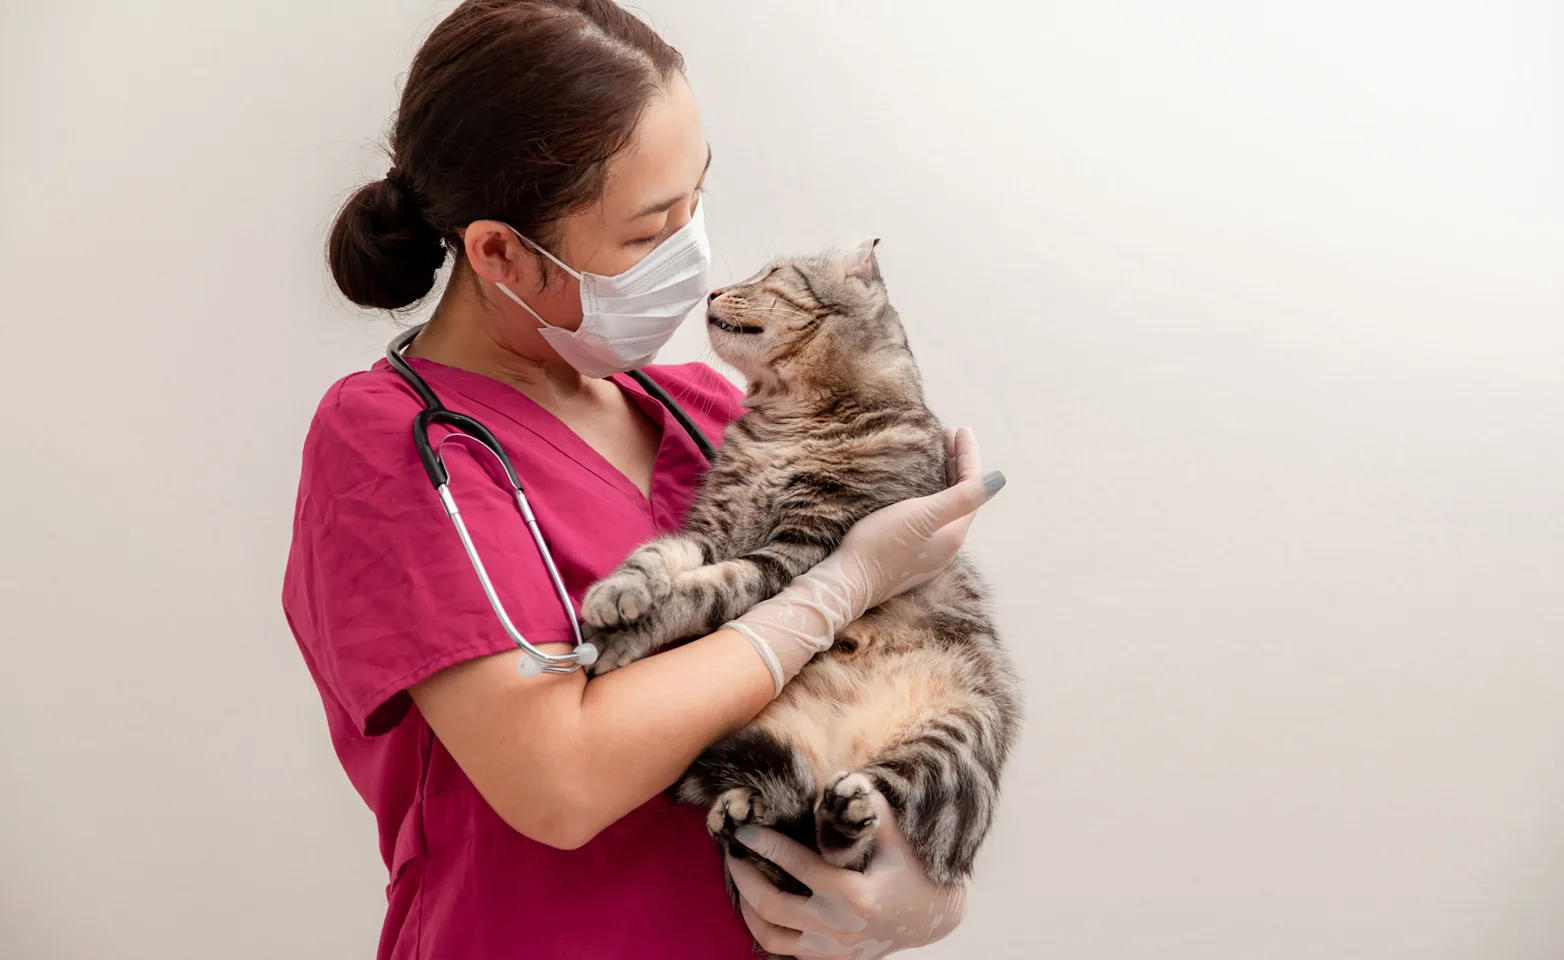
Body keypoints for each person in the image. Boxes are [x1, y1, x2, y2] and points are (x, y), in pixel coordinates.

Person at [281, 2, 1003, 957]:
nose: (692, 254)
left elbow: (889, 702)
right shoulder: (394, 443)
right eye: (648, 230)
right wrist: (846, 583)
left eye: (695, 201)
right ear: (499, 251)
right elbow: (560, 782)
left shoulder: (712, 413)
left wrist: (921, 895)